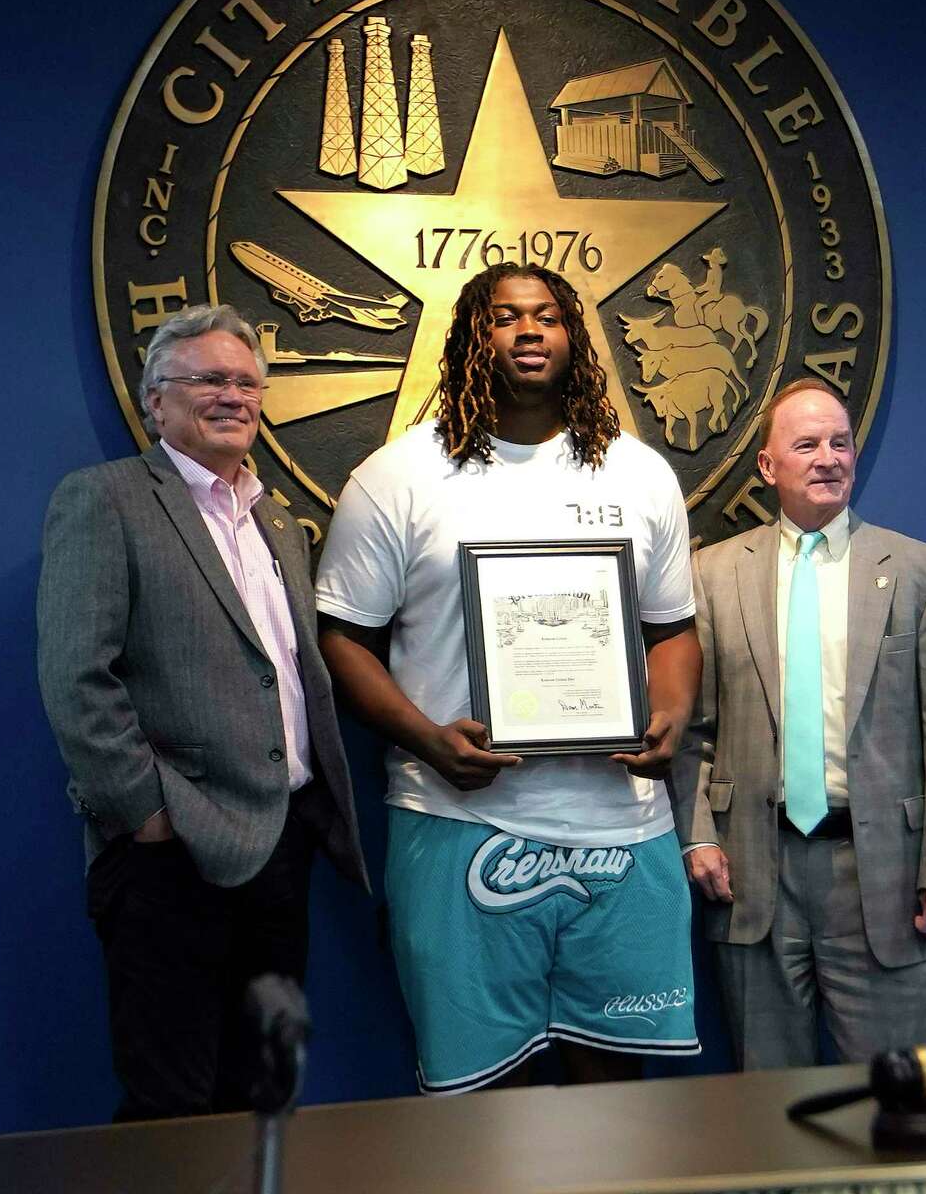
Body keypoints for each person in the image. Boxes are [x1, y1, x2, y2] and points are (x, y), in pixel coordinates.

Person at [316, 263, 702, 1094]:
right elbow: (342, 638)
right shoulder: (398, 477)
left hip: (621, 830)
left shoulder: (639, 475)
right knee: (486, 1107)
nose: (529, 331)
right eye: (504, 317)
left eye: (548, 316)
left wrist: (670, 711)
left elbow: (673, 629)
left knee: (617, 1101)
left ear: (574, 336)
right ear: (470, 339)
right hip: (458, 820)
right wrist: (426, 739)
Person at [37, 304, 367, 1120]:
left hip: (282, 848)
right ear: (156, 401)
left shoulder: (275, 517)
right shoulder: (105, 499)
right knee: (170, 1103)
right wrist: (145, 813)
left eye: (248, 382)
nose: (234, 395)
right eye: (209, 379)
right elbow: (77, 673)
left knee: (259, 1093)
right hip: (169, 859)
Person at [672, 379, 926, 1068]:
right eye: (806, 444)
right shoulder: (712, 575)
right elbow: (691, 728)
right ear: (767, 466)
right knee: (765, 1099)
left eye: (839, 442)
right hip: (751, 872)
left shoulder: (921, 572)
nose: (828, 457)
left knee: (893, 1098)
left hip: (885, 879)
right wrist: (696, 836)